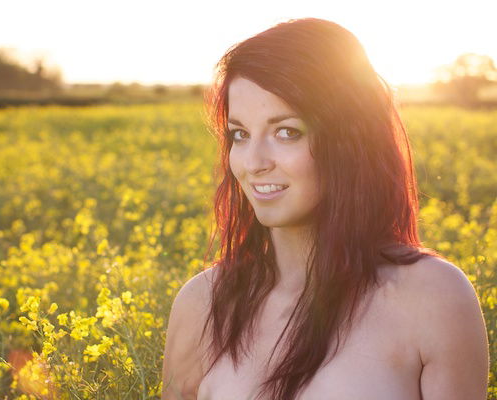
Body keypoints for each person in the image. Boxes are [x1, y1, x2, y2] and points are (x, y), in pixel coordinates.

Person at [161, 17, 489, 400]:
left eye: (287, 132)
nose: (253, 162)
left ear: (350, 141)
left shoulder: (433, 299)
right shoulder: (202, 304)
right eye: (240, 134)